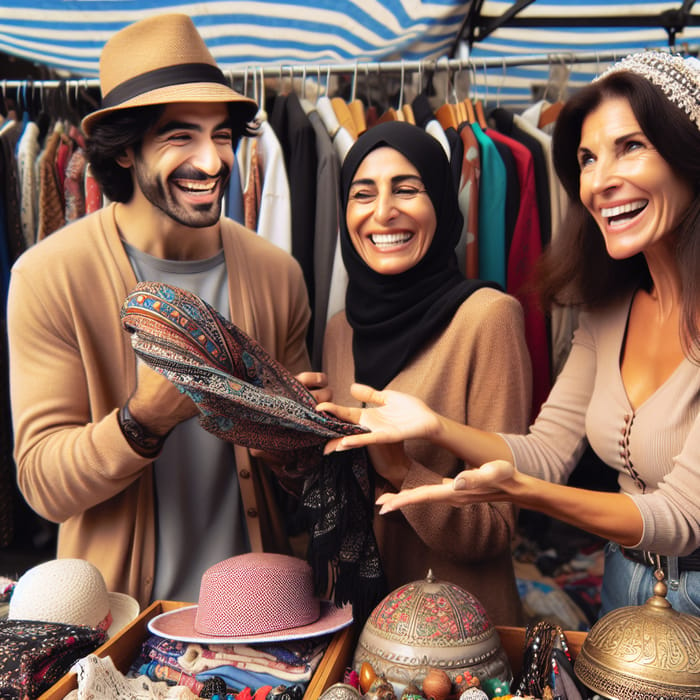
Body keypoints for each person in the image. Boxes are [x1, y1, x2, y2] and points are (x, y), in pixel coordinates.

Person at [318, 51, 700, 617]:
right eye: (588, 158)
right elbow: (545, 452)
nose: (601, 180)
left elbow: (682, 519)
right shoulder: (609, 310)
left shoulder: (485, 315)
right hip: (627, 589)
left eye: (631, 147)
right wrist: (436, 428)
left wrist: (521, 493)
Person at [7, 14, 326, 607]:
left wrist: (294, 441)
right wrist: (144, 418)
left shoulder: (277, 273)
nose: (212, 162)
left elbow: (302, 484)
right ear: (126, 150)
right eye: (180, 136)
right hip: (121, 622)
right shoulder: (49, 276)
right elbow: (43, 485)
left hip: (264, 616)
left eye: (223, 135)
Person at [321, 121, 533, 625]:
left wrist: (400, 471)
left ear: (441, 202)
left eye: (407, 189)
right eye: (363, 193)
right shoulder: (339, 329)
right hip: (354, 623)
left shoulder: (487, 317)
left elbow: (498, 525)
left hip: (455, 635)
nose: (383, 212)